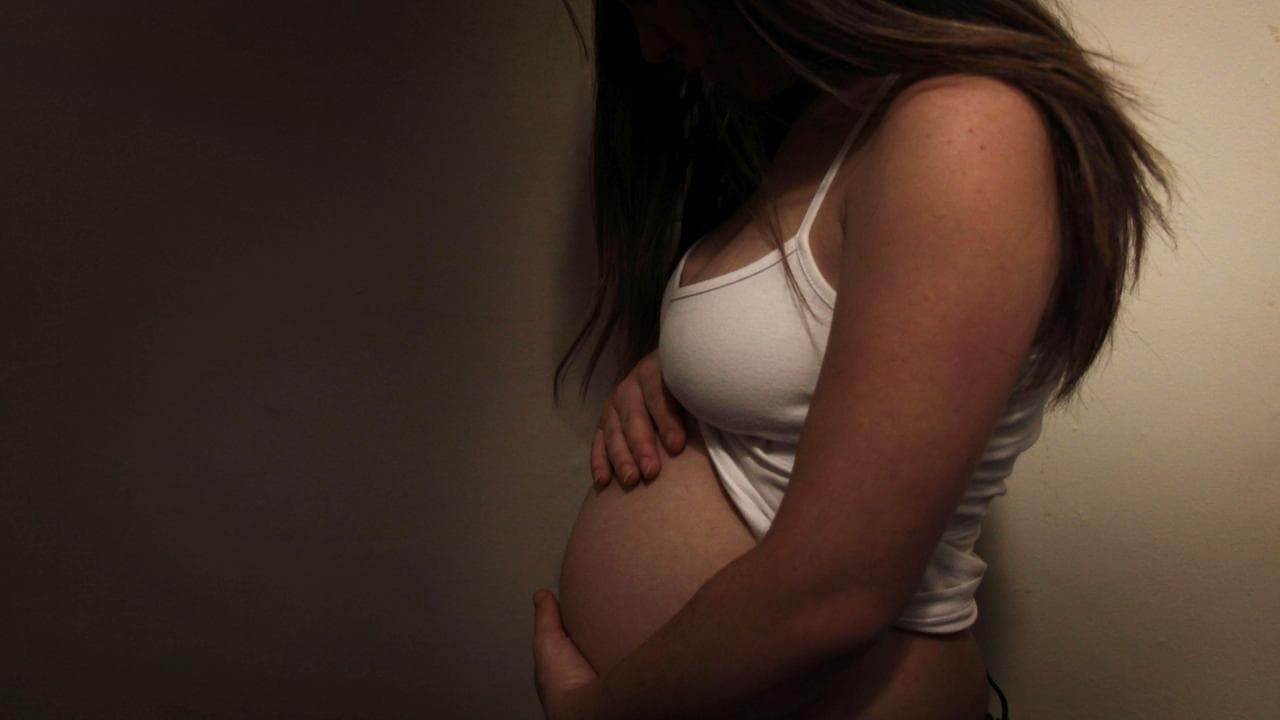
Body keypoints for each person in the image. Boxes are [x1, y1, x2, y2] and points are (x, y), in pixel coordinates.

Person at [533, 1, 1170, 718]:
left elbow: (834, 594)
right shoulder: (822, 115)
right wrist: (680, 371)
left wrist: (597, 714)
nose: (648, 46)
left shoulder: (965, 125)